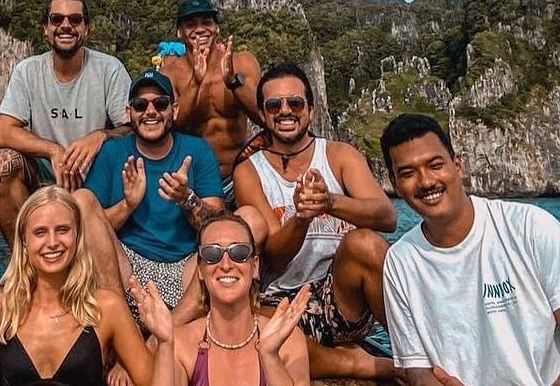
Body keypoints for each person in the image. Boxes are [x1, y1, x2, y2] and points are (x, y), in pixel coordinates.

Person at [380, 114, 560, 386]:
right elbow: (416, 369)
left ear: (458, 166)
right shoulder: (400, 262)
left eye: (435, 165)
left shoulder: (530, 228)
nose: (425, 181)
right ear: (395, 184)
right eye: (408, 173)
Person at [232, 63, 398, 381]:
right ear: (263, 115)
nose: (285, 111)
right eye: (274, 105)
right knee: (246, 325)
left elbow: (386, 216)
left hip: (340, 298)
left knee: (364, 242)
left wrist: (330, 203)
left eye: (295, 103)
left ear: (310, 109)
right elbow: (275, 257)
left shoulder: (340, 155)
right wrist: (301, 218)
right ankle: (356, 363)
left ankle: (416, 353)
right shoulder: (249, 171)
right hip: (280, 301)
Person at [72, 69, 226, 314]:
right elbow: (90, 230)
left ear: (174, 110)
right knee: (80, 199)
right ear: (129, 113)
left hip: (185, 267)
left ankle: (172, 325)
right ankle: (120, 319)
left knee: (248, 221)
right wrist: (128, 205)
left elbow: (221, 228)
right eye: (140, 105)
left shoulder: (198, 150)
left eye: (160, 104)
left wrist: (187, 199)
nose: (150, 112)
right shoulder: (113, 152)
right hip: (127, 267)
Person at [0, 186, 158, 386]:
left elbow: (153, 383)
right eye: (40, 232)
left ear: (77, 236)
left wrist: (165, 340)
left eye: (62, 230)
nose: (52, 242)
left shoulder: (107, 308)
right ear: (24, 241)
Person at [0, 0, 132, 244]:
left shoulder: (109, 69)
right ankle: (25, 258)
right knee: (2, 164)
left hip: (96, 175)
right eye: (56, 19)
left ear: (86, 28)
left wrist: (101, 136)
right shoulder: (28, 71)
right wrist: (52, 150)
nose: (65, 26)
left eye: (75, 19)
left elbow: (133, 128)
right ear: (45, 28)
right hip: (46, 174)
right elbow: (4, 131)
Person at [134, 211, 313, 386]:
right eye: (212, 254)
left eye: (239, 252)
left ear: (255, 266)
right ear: (200, 270)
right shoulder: (181, 344)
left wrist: (270, 356)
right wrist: (165, 344)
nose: (226, 265)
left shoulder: (289, 340)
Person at [157, 0, 263, 195]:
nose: (200, 29)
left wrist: (233, 82)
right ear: (179, 32)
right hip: (193, 180)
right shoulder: (169, 74)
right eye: (191, 24)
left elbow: (264, 116)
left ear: (217, 28)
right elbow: (171, 127)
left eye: (207, 22)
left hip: (239, 176)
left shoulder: (243, 63)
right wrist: (195, 82)